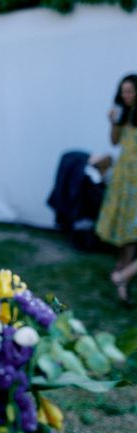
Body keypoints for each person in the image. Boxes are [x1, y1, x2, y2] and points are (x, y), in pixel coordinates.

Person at [96, 73, 137, 302]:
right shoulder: (125, 113)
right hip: (125, 175)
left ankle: (123, 272)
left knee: (133, 227)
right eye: (123, 92)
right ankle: (123, 269)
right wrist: (112, 121)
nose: (127, 95)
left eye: (130, 91)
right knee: (126, 225)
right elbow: (114, 142)